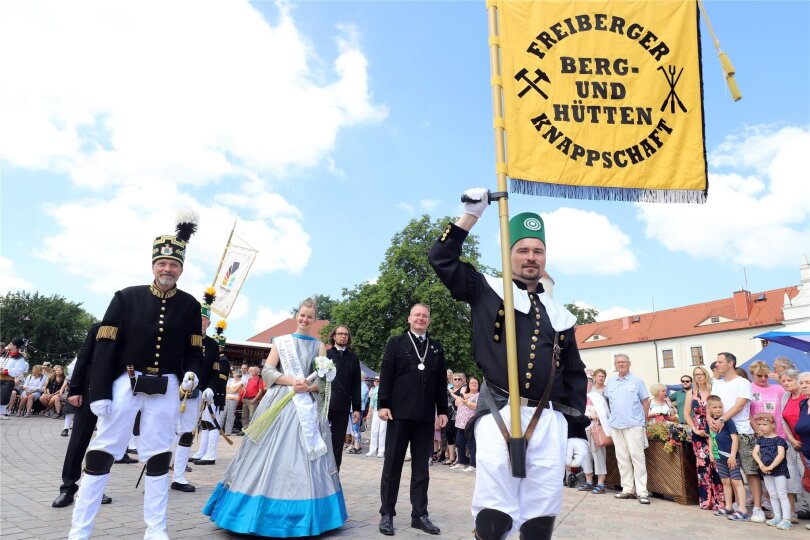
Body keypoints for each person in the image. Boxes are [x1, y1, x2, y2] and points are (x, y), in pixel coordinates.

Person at [429, 193, 588, 540]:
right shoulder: (486, 289)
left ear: (545, 258)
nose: (531, 257)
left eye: (538, 251)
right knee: (495, 511)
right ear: (509, 253)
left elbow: (575, 375)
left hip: (549, 419)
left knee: (541, 513)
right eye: (523, 250)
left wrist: (577, 430)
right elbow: (441, 258)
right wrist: (470, 216)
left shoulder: (560, 315)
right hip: (499, 411)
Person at [68, 214, 204, 540]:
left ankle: (156, 529)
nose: (168, 269)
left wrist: (193, 375)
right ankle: (79, 530)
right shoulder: (126, 297)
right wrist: (100, 391)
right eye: (162, 264)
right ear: (153, 266)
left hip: (167, 386)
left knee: (158, 456)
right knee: (102, 451)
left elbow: (194, 351)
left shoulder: (190, 305)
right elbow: (104, 349)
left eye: (174, 265)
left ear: (181, 269)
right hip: (125, 383)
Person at [203, 298, 348, 537]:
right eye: (302, 315)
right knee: (265, 453)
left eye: (309, 316)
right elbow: (268, 371)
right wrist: (293, 381)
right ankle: (249, 512)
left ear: (314, 319)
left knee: (306, 456)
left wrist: (309, 387)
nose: (305, 319)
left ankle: (310, 515)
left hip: (306, 406)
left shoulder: (319, 346)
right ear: (297, 315)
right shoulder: (281, 342)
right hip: (281, 402)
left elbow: (324, 382)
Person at [376, 303, 448, 536]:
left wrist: (443, 410)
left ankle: (419, 515)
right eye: (417, 315)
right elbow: (386, 374)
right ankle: (387, 513)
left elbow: (440, 382)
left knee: (421, 469)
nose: (421, 318)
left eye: (425, 316)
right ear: (409, 318)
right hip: (398, 414)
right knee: (392, 466)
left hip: (425, 417)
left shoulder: (436, 348)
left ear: (429, 320)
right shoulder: (396, 343)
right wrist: (383, 404)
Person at [53, 324, 113, 508]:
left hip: (117, 394)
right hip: (90, 391)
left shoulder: (135, 329)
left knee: (105, 443)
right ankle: (67, 488)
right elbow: (83, 358)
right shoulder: (99, 328)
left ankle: (94, 487)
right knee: (78, 439)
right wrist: (75, 389)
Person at [171, 289, 225, 492]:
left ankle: (178, 476)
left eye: (204, 320)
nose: (200, 322)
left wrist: (210, 388)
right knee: (167, 431)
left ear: (208, 324)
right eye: (198, 318)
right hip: (174, 390)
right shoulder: (179, 337)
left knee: (187, 433)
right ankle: (158, 472)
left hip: (195, 394)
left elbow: (215, 371)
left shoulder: (212, 345)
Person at [709, 352, 763, 523]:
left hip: (742, 431)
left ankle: (757, 508)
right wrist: (711, 421)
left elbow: (739, 405)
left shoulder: (743, 382)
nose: (717, 365)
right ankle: (733, 505)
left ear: (730, 363)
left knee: (750, 471)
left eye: (720, 362)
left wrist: (723, 419)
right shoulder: (717, 384)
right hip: (722, 433)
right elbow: (710, 404)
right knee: (730, 474)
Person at [605, 354, 651, 505]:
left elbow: (646, 402)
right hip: (616, 425)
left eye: (623, 362)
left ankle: (642, 492)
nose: (621, 364)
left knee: (637, 458)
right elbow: (609, 402)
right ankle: (627, 489)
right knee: (622, 458)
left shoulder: (637, 381)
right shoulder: (611, 382)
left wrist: (643, 421)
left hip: (634, 425)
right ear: (615, 365)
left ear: (629, 364)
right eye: (618, 362)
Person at [684, 365, 725, 511]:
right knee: (702, 465)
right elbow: (686, 413)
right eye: (696, 375)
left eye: (701, 374)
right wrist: (694, 429)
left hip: (714, 428)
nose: (699, 377)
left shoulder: (714, 390)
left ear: (706, 375)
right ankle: (706, 500)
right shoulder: (691, 393)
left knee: (717, 465)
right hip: (698, 431)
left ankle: (721, 501)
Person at [326, 325, 361, 470]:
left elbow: (356, 385)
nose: (343, 336)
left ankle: (335, 474)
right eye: (340, 333)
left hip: (343, 405)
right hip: (324, 404)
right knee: (319, 438)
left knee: (338, 441)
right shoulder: (325, 355)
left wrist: (357, 408)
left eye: (346, 334)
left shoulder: (353, 359)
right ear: (334, 336)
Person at [707, 395, 747, 520]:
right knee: (725, 481)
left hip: (730, 457)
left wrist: (733, 456)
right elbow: (711, 437)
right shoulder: (711, 423)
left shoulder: (727, 421)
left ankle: (743, 510)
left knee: (736, 481)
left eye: (720, 407)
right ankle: (728, 506)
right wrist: (711, 453)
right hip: (719, 457)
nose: (718, 409)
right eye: (715, 407)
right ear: (709, 408)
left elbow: (735, 439)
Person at [752, 412, 793, 530]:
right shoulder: (760, 440)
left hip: (779, 470)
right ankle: (777, 517)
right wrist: (761, 464)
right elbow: (755, 453)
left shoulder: (779, 440)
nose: (761, 427)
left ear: (773, 425)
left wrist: (771, 466)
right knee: (772, 494)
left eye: (764, 424)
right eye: (759, 424)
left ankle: (787, 519)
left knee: (782, 494)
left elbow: (781, 455)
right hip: (766, 470)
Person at [779, 369, 805, 523]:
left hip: (806, 442)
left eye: (789, 380)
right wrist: (791, 438)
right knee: (790, 475)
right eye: (783, 381)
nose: (786, 383)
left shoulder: (806, 396)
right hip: (791, 441)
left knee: (807, 475)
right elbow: (783, 419)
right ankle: (791, 511)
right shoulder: (786, 396)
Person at [578, 374, 610, 494]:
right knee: (584, 455)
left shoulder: (597, 397)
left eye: (590, 381)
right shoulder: (577, 396)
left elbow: (605, 413)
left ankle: (601, 483)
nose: (588, 383)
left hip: (595, 428)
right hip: (581, 429)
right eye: (585, 381)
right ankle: (589, 482)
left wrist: (594, 416)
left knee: (598, 455)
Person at [793, 372, 810, 531]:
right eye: (802, 382)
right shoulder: (803, 404)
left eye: (808, 382)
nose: (804, 385)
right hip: (807, 453)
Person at [453, 376, 479, 472]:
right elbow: (456, 403)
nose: (473, 384)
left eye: (475, 383)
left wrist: (466, 402)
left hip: (470, 423)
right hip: (460, 423)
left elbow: (478, 406)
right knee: (459, 442)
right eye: (471, 383)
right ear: (468, 384)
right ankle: (461, 462)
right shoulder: (464, 393)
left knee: (472, 444)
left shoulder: (479, 395)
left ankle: (473, 464)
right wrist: (461, 399)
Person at [0, 338, 29, 418]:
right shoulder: (5, 355)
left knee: (3, 397)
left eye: (10, 343)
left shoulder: (20, 358)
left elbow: (18, 371)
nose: (8, 344)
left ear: (15, 346)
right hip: (0, 378)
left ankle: (1, 414)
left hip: (8, 380)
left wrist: (5, 371)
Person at [347, 370, 369, 455]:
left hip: (357, 409)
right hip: (352, 408)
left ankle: (357, 446)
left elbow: (360, 398)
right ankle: (356, 444)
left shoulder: (363, 386)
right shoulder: (357, 385)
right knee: (354, 428)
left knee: (356, 428)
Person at [366, 375, 387, 458]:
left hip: (383, 411)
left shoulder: (385, 389)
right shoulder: (374, 389)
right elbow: (372, 401)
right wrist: (369, 412)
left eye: (378, 381)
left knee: (382, 431)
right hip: (375, 411)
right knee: (374, 431)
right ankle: (372, 450)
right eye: (375, 381)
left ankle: (381, 451)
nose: (376, 382)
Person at [241, 365, 264, 429]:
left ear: (257, 372)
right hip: (246, 399)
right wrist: (243, 397)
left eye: (253, 370)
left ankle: (250, 430)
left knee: (251, 416)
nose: (251, 371)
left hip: (253, 400)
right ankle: (245, 429)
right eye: (251, 370)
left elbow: (260, 391)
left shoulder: (259, 380)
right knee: (244, 416)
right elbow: (246, 389)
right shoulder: (250, 379)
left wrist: (254, 399)